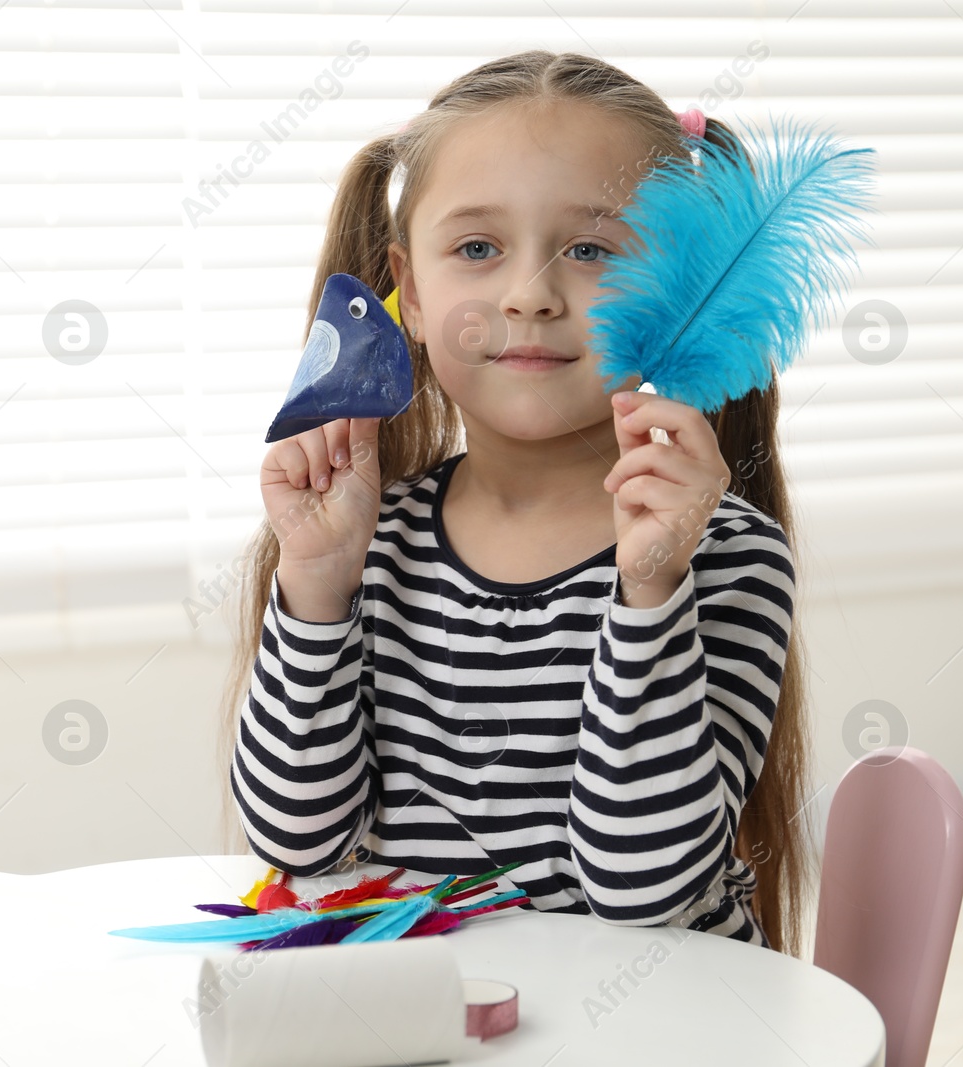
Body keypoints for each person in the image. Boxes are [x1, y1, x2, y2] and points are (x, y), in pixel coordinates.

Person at [214, 50, 813, 955]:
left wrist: (650, 593)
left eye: (591, 250)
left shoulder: (725, 557)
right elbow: (297, 839)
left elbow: (639, 888)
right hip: (432, 1022)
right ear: (409, 292)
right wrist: (319, 583)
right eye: (478, 248)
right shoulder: (367, 543)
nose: (529, 296)